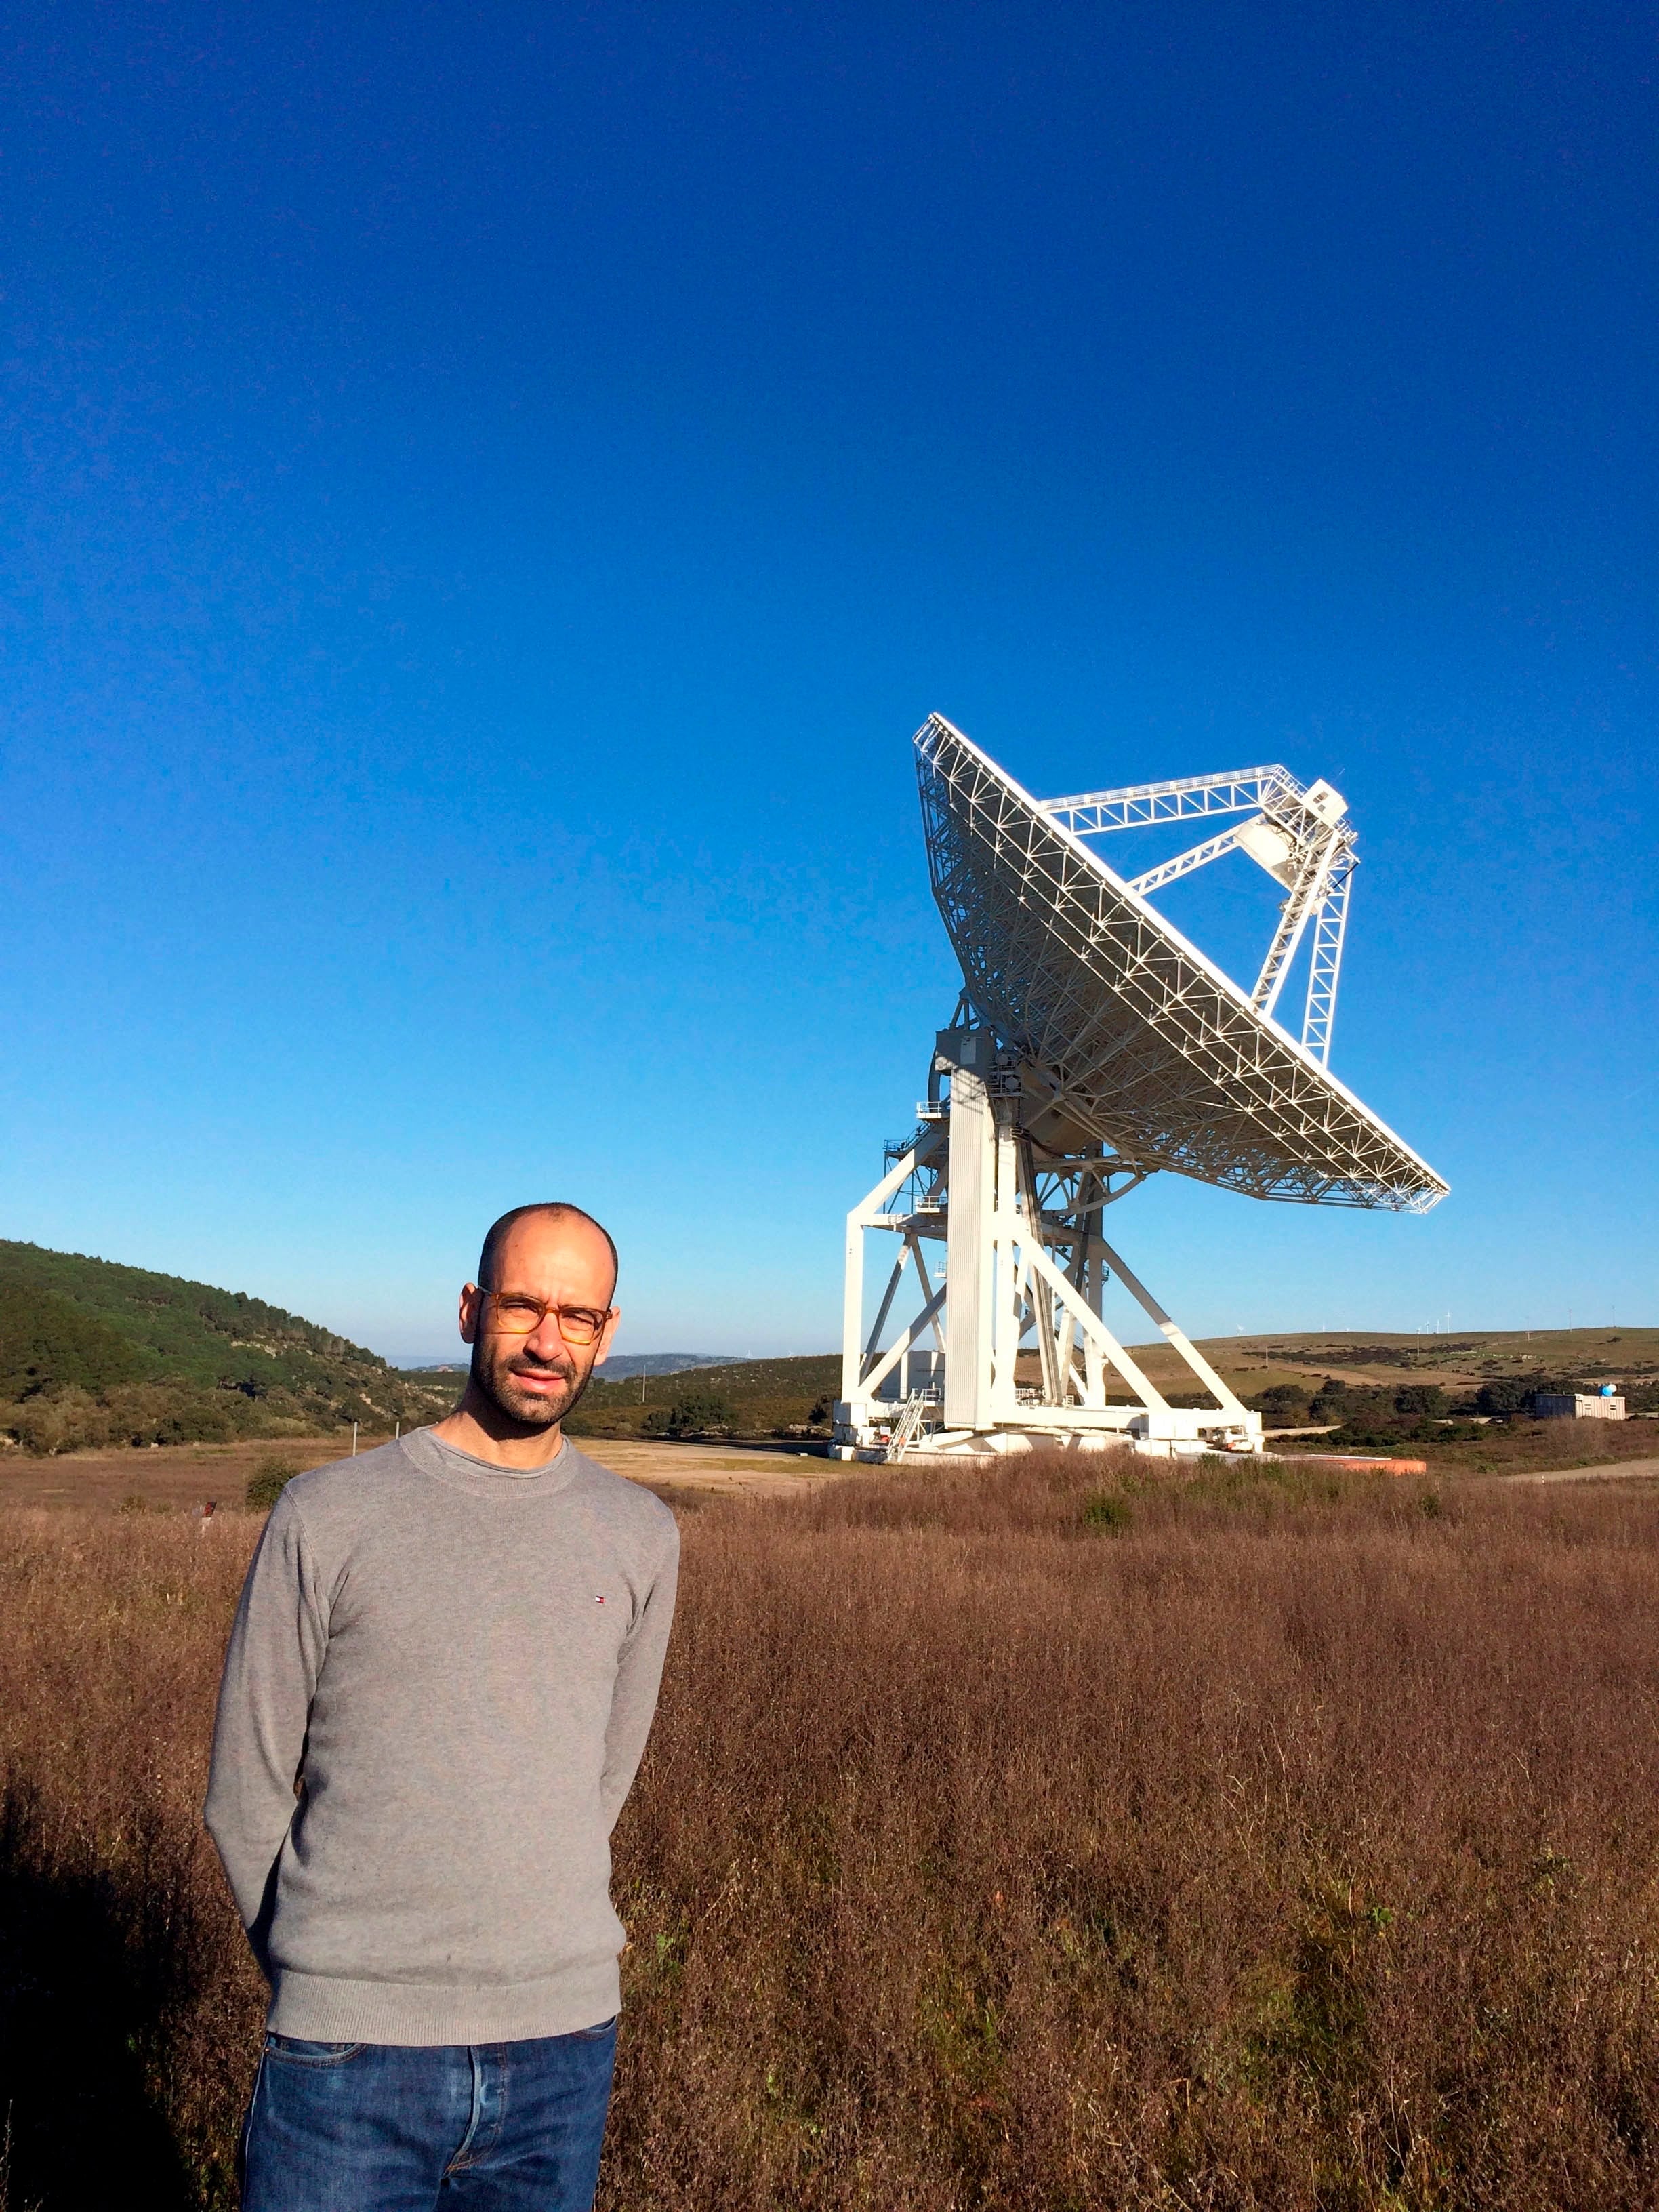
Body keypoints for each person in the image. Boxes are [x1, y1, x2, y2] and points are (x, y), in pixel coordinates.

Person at [206, 1202, 678, 2212]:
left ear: (609, 1333)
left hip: (563, 2052)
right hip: (347, 2055)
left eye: (579, 1317)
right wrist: (322, 1971)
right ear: (471, 1310)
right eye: (522, 1306)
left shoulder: (640, 1535)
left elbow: (603, 1777)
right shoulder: (326, 1515)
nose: (549, 1342)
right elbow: (243, 1786)